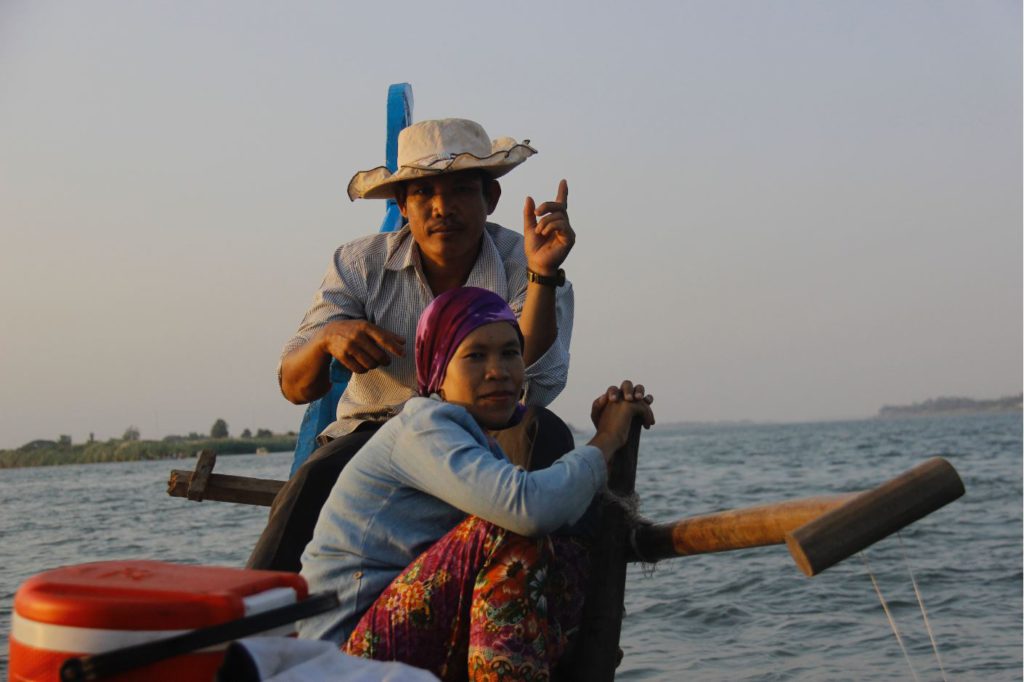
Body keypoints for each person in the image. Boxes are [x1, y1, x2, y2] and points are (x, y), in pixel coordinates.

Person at [248, 118, 579, 572]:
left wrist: (543, 273)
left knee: (546, 435)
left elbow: (528, 364)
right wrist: (327, 339)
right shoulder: (359, 263)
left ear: (491, 199)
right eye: (424, 193)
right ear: (403, 204)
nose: (443, 207)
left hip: (490, 431)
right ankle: (259, 627)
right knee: (312, 480)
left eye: (461, 190)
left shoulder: (529, 258)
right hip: (379, 434)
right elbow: (294, 385)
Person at [299, 287, 655, 681]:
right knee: (512, 528)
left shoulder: (476, 444)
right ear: (438, 370)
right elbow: (528, 510)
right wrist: (605, 441)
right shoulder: (423, 427)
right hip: (342, 657)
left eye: (509, 353)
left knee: (562, 551)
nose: (498, 371)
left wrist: (606, 444)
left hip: (393, 648)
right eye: (475, 356)